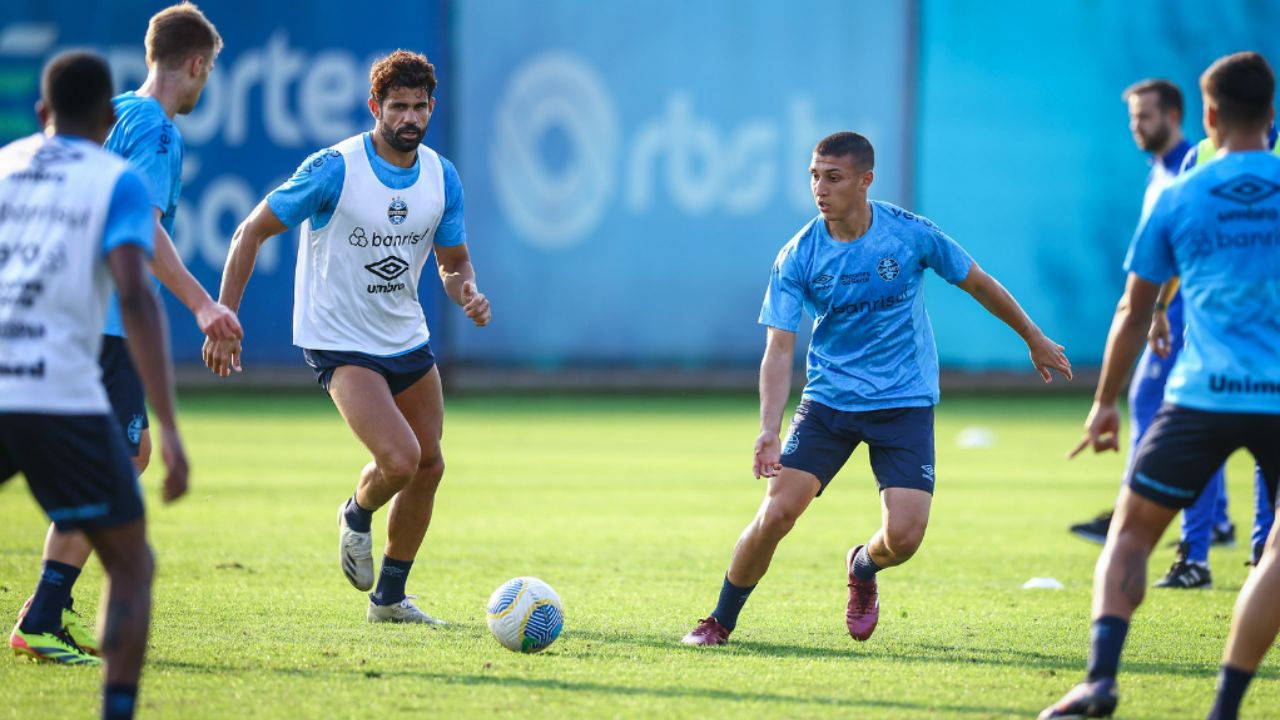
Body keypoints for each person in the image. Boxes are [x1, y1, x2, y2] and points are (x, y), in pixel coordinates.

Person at [681, 131, 1073, 647]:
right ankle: (719, 620)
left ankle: (862, 567)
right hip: (829, 403)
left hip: (904, 404)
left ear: (866, 180)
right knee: (777, 512)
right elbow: (779, 348)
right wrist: (767, 430)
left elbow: (977, 281)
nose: (820, 189)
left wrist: (1034, 337)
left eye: (834, 177)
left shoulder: (909, 235)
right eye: (814, 176)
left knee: (905, 539)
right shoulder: (798, 254)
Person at [203, 50, 490, 624]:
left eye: (420, 106)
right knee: (401, 458)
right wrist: (224, 316)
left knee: (429, 464)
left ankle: (389, 599)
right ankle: (356, 513)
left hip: (405, 335)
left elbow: (453, 261)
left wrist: (466, 291)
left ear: (432, 107)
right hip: (339, 339)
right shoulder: (336, 166)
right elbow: (249, 230)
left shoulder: (441, 174)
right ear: (374, 108)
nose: (410, 117)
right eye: (398, 106)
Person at [1042, 51, 1280, 720]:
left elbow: (1134, 309)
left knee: (1129, 536)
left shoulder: (1182, 193)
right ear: (1271, 114)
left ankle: (1100, 680)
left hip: (1201, 396)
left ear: (1206, 116)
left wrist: (1104, 402)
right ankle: (1225, 708)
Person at [8, 2, 239, 663]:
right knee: (116, 462)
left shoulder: (113, 116)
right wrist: (202, 304)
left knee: (120, 459)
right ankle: (44, 617)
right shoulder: (159, 132)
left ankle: (51, 606)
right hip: (106, 328)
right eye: (208, 70)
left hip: (59, 317)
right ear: (195, 64)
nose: (204, 83)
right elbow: (144, 230)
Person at [0, 50, 188, 720]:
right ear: (110, 116)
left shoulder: (5, 163)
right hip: (55, 389)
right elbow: (136, 297)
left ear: (42, 113)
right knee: (131, 564)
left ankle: (49, 611)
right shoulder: (118, 180)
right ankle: (112, 705)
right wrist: (169, 425)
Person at [1069, 78, 1235, 593]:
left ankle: (1147, 512)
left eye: (1144, 117)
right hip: (1169, 307)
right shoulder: (1160, 170)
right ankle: (1215, 518)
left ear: (1177, 115)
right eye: (1132, 119)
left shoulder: (1193, 164)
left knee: (1172, 409)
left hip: (1189, 309)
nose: (1136, 127)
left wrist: (1161, 306)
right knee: (1170, 405)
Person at [1176, 129, 1280, 569]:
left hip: (1266, 348)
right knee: (1202, 451)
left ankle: (1262, 552)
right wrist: (1163, 308)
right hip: (1212, 343)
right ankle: (1194, 555)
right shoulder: (1198, 155)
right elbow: (1175, 238)